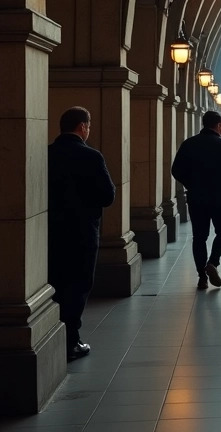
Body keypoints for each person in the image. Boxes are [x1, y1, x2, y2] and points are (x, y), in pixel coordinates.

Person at [47, 106, 116, 361]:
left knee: (56, 280)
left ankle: (51, 334)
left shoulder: (48, 154)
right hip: (83, 231)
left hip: (52, 230)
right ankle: (71, 340)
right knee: (79, 283)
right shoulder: (91, 156)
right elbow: (107, 196)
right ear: (82, 127)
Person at [170, 110, 221, 290]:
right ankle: (212, 262)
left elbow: (176, 169)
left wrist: (191, 183)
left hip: (196, 197)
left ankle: (201, 277)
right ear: (218, 125)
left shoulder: (189, 144)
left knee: (199, 236)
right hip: (219, 198)